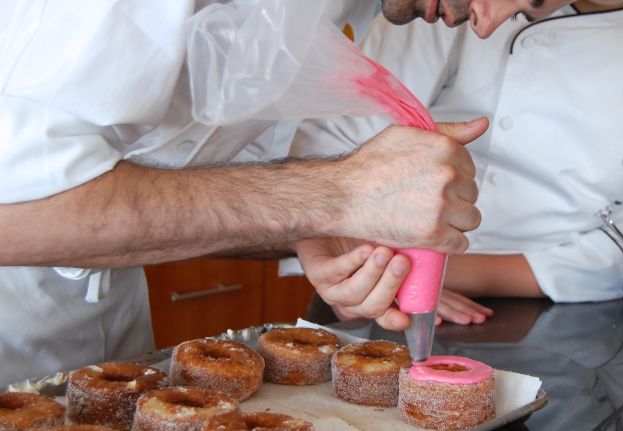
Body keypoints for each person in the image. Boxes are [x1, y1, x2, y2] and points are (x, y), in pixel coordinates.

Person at [0, 0, 490, 386]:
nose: (487, 24)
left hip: (111, 328)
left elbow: (187, 189)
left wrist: (313, 229)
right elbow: (15, 208)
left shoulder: (337, 13)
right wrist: (333, 195)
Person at [291, 0, 623, 326]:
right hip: (380, 290)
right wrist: (381, 272)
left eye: (531, 8)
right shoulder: (444, 7)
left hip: (569, 317)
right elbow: (333, 151)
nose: (486, 25)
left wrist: (430, 272)